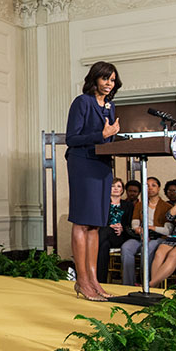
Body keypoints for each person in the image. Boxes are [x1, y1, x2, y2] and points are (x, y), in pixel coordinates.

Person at [65, 60, 121, 301]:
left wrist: (110, 138)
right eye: (105, 79)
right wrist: (102, 134)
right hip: (82, 164)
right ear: (95, 79)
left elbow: (106, 139)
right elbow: (72, 138)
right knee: (82, 222)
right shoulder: (82, 102)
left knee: (96, 225)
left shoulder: (110, 106)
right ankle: (82, 281)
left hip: (102, 165)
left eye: (112, 80)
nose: (109, 83)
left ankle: (94, 280)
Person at [120, 176, 172, 285]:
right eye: (147, 186)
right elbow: (134, 223)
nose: (150, 188)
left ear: (158, 188)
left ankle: (146, 283)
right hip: (140, 236)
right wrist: (138, 229)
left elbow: (168, 230)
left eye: (153, 185)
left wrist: (152, 228)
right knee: (126, 248)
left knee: (147, 248)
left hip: (158, 238)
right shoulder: (140, 205)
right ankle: (128, 284)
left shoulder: (167, 206)